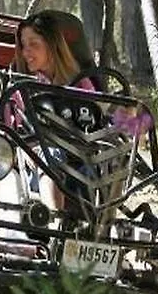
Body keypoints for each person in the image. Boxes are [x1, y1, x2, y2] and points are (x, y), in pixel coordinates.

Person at [8, 11, 95, 211]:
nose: (25, 52)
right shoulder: (22, 88)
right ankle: (55, 220)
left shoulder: (81, 84)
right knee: (51, 155)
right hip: (37, 156)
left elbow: (98, 118)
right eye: (23, 45)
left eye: (33, 44)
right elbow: (9, 132)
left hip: (77, 156)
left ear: (52, 45)